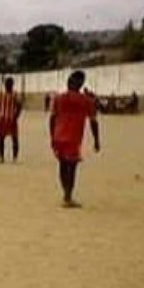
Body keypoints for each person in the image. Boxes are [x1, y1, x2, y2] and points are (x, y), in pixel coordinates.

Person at [50, 70, 101, 208]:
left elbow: (52, 118)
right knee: (71, 168)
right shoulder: (86, 101)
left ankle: (66, 193)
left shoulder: (59, 98)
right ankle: (68, 196)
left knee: (62, 165)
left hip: (58, 136)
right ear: (81, 83)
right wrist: (97, 140)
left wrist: (52, 136)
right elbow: (93, 121)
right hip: (73, 139)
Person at [0, 77, 23, 163]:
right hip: (2, 119)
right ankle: (1, 157)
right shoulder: (1, 94)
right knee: (1, 138)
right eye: (7, 84)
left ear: (12, 85)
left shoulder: (15, 94)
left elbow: (19, 106)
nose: (8, 86)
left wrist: (16, 116)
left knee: (14, 138)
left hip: (11, 119)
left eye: (9, 84)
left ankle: (15, 157)